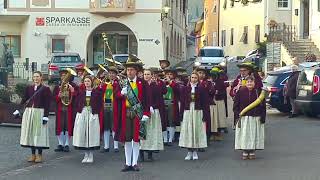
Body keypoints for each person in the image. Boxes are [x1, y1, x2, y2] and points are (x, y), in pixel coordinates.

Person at [116, 55, 150, 172]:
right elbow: (116, 96)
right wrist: (121, 93)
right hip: (126, 113)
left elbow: (146, 99)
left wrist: (146, 113)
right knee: (127, 139)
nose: (129, 72)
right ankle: (127, 163)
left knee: (136, 139)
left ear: (136, 71)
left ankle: (135, 163)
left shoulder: (142, 83)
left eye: (131, 70)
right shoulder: (122, 83)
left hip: (138, 113)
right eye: (128, 70)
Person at [19, 71, 52, 163]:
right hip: (29, 112)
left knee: (38, 134)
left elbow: (47, 104)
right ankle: (33, 154)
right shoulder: (29, 88)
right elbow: (24, 99)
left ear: (41, 78)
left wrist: (45, 116)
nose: (36, 78)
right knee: (31, 134)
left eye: (37, 76)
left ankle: (40, 155)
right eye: (34, 77)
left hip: (39, 113)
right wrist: (19, 109)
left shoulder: (45, 89)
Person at [233, 76, 266, 160]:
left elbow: (263, 106)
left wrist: (263, 117)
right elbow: (235, 105)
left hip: (255, 117)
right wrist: (237, 114)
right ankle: (244, 151)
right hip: (244, 118)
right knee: (244, 135)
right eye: (248, 82)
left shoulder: (258, 92)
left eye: (251, 82)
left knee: (253, 134)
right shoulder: (240, 91)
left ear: (254, 83)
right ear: (245, 83)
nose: (250, 83)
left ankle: (252, 151)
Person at [179, 72, 210, 160]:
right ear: (190, 78)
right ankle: (189, 151)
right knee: (189, 131)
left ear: (198, 79)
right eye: (192, 77)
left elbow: (205, 103)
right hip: (188, 111)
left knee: (196, 130)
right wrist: (181, 114)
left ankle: (195, 151)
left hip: (197, 111)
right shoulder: (185, 88)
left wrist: (205, 115)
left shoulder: (201, 89)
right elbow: (182, 101)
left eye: (195, 78)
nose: (194, 79)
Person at [73, 75, 103, 163]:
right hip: (82, 113)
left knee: (91, 134)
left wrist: (95, 112)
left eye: (88, 81)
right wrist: (79, 110)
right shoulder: (81, 92)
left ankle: (91, 155)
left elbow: (100, 104)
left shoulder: (96, 92)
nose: (87, 83)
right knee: (84, 134)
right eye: (85, 81)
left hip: (92, 113)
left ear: (91, 82)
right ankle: (86, 154)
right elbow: (76, 103)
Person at [140, 69, 165, 161]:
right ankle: (141, 153)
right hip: (142, 111)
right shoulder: (140, 85)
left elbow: (159, 99)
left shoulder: (156, 86)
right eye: (145, 74)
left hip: (153, 111)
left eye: (148, 74)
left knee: (152, 133)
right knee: (142, 132)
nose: (146, 76)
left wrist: (153, 106)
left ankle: (150, 154)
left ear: (151, 75)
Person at [53, 69, 78, 152]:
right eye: (62, 76)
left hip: (69, 108)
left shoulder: (73, 85)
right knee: (59, 126)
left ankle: (67, 144)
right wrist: (58, 96)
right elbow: (53, 99)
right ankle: (60, 144)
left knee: (68, 126)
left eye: (65, 75)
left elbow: (78, 97)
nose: (63, 77)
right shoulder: (57, 86)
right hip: (60, 108)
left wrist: (73, 91)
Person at [99, 65, 120, 153]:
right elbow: (100, 92)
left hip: (113, 106)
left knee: (114, 126)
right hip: (105, 106)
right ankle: (106, 146)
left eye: (113, 73)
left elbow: (118, 93)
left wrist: (114, 84)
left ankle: (116, 146)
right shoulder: (105, 83)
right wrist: (101, 85)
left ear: (115, 75)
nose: (111, 75)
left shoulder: (118, 83)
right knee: (106, 127)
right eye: (110, 73)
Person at [163, 67, 180, 146]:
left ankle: (170, 139)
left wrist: (170, 82)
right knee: (164, 122)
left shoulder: (175, 84)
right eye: (167, 74)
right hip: (163, 103)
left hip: (172, 104)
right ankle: (165, 139)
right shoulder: (162, 83)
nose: (169, 76)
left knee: (171, 122)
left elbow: (177, 90)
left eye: (170, 74)